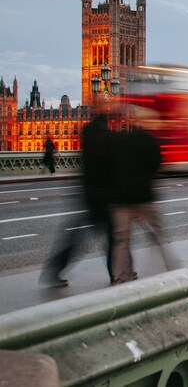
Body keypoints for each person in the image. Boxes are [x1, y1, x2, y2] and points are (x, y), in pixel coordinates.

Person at [40, 113, 115, 287]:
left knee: (78, 238)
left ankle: (54, 268)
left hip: (88, 191)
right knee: (113, 237)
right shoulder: (105, 138)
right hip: (101, 195)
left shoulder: (87, 133)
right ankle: (115, 273)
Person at [108, 113, 173, 284]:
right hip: (143, 196)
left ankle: (121, 277)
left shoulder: (121, 140)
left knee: (122, 241)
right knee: (156, 234)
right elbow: (157, 163)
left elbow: (112, 165)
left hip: (121, 198)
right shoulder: (150, 140)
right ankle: (172, 268)